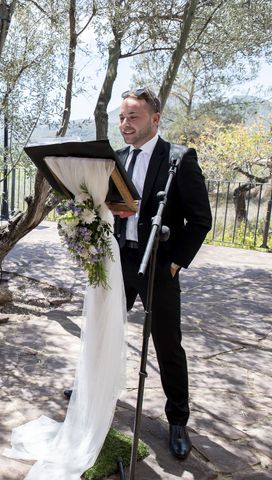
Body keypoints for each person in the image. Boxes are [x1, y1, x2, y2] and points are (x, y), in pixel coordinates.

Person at [115, 87, 212, 459]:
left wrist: (175, 261)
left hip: (160, 267)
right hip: (120, 261)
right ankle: (94, 392)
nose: (125, 124)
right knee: (104, 331)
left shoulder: (179, 159)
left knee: (168, 345)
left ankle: (177, 421)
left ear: (155, 119)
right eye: (122, 117)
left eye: (133, 116)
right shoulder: (118, 158)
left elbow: (200, 219)